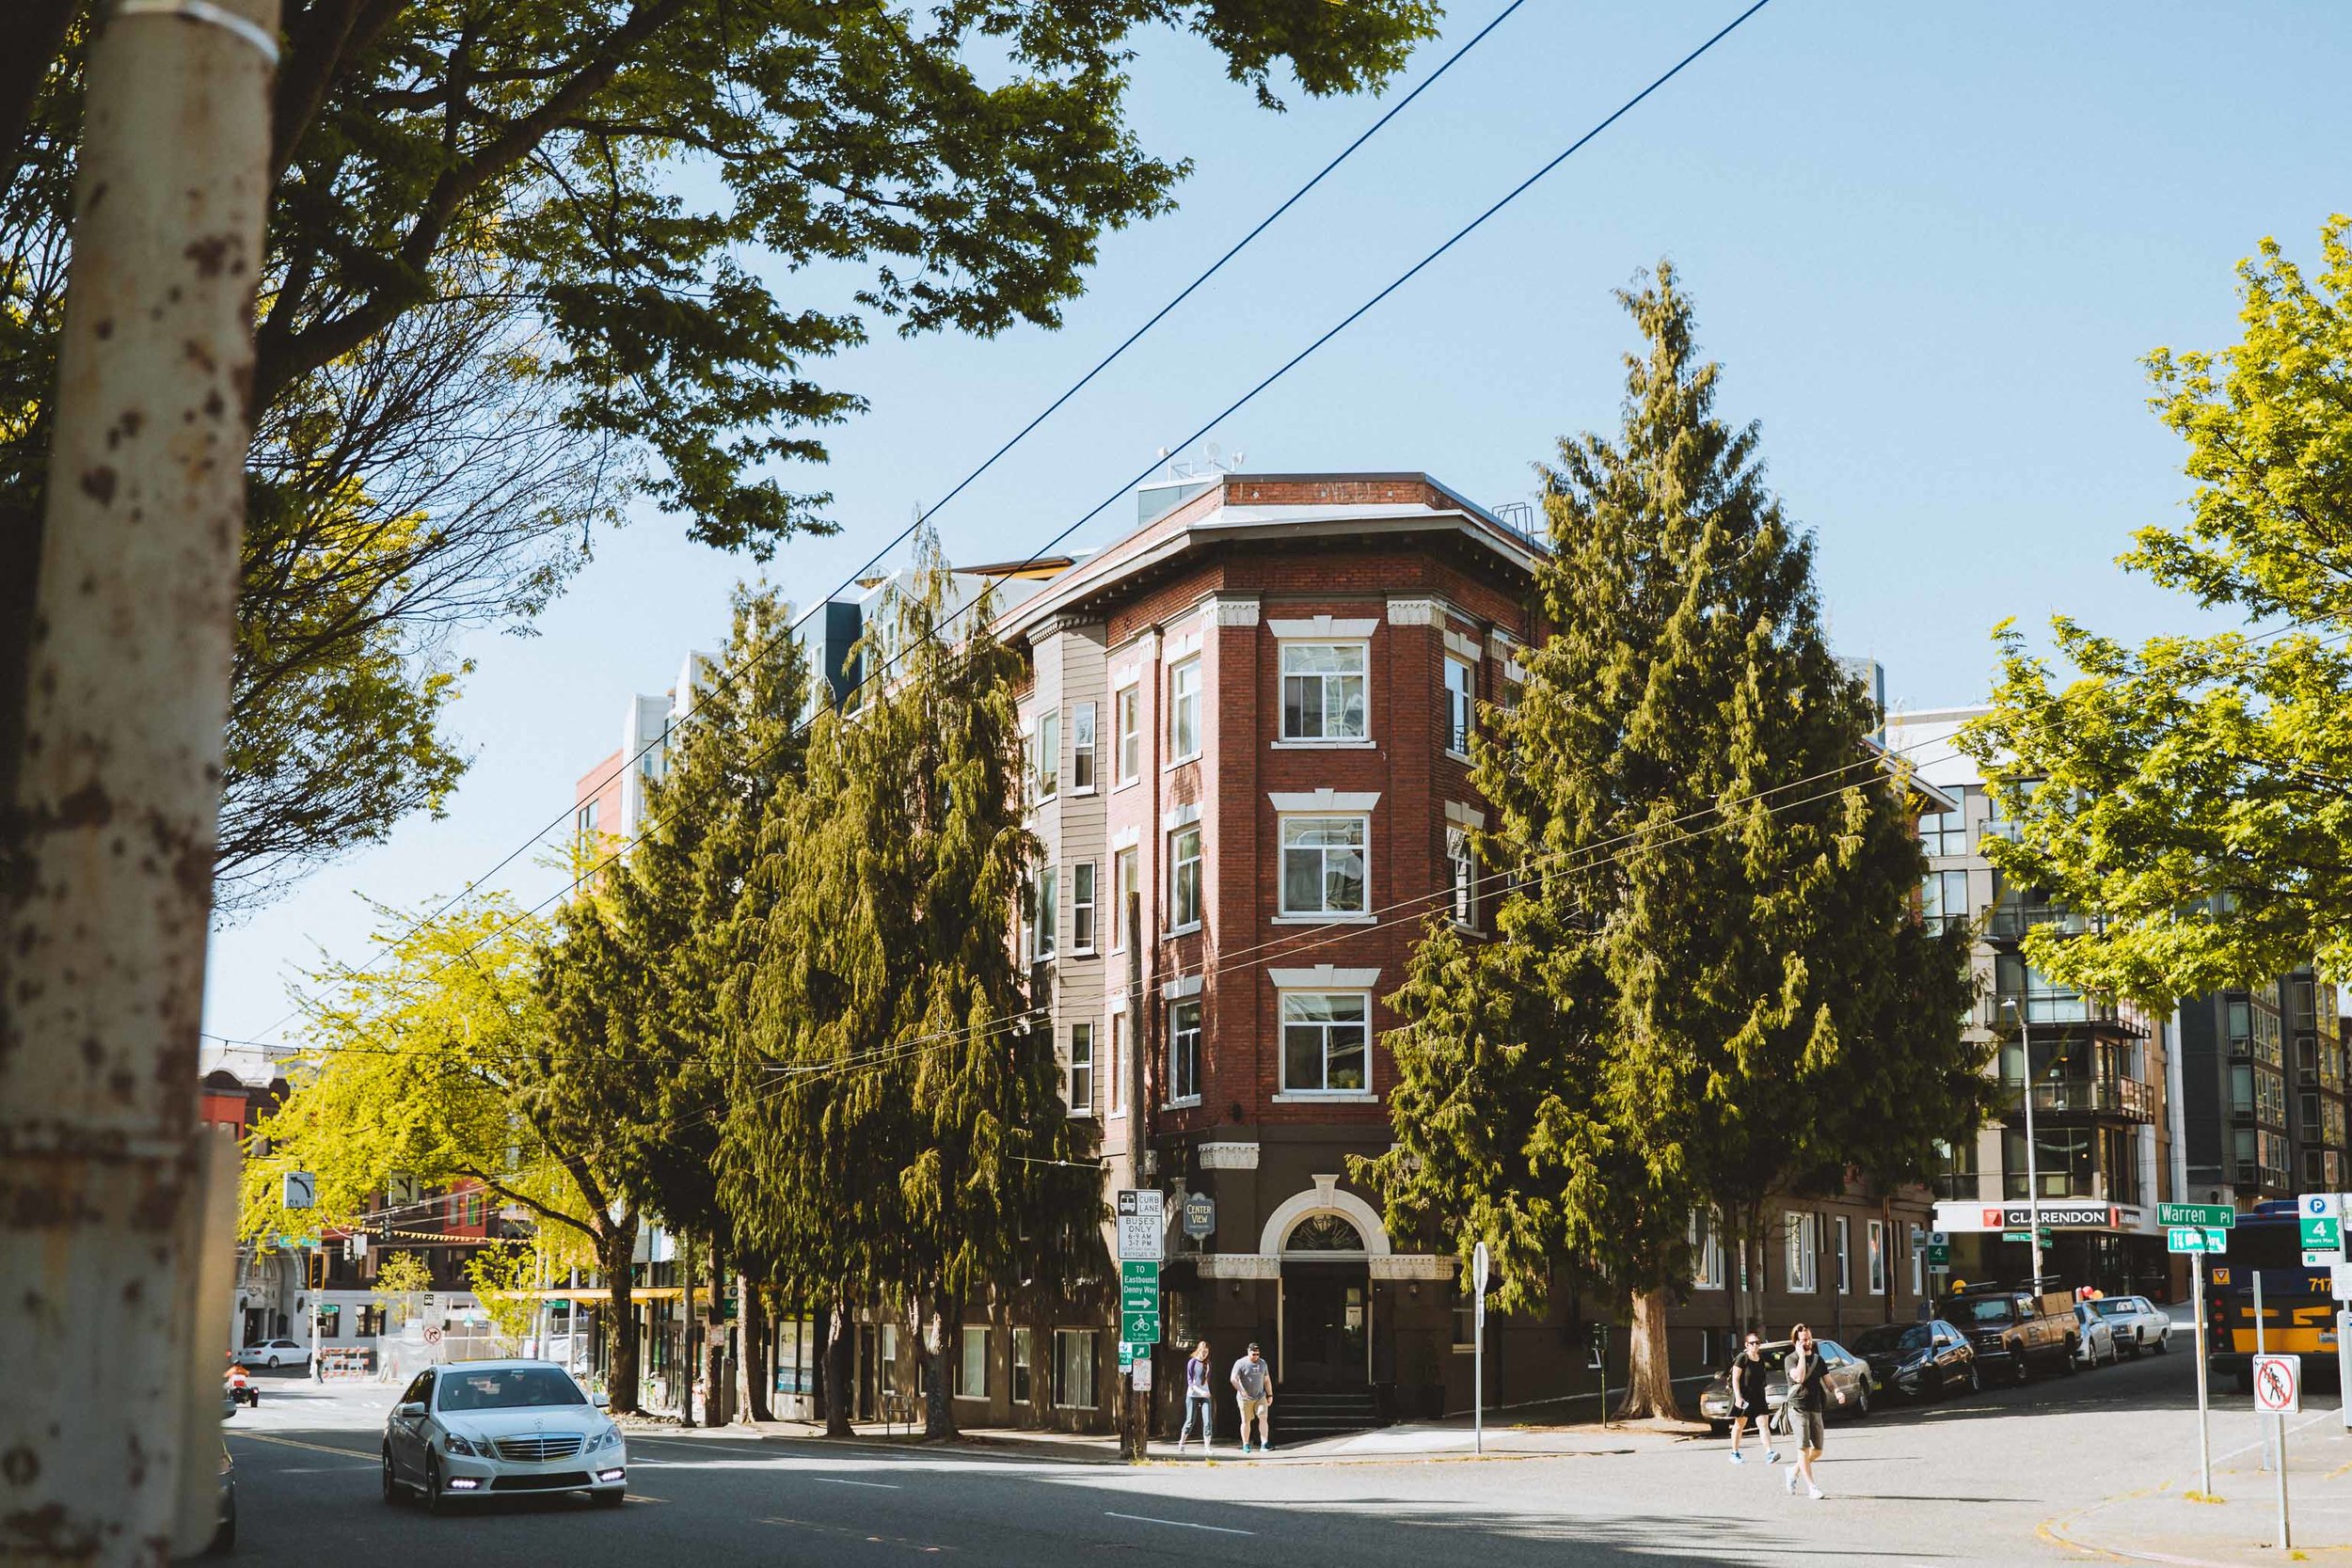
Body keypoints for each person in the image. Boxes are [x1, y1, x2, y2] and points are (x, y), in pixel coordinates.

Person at [1782, 1323, 1827, 1499]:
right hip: (1798, 1408)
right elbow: (1799, 1377)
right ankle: (1812, 1487)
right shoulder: (1790, 1360)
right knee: (1803, 1448)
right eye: (1803, 1340)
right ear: (1796, 1342)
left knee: (1817, 1450)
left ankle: (1793, 1470)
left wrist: (1837, 1391)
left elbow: (1828, 1380)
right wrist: (1801, 1356)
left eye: (1809, 1338)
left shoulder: (1818, 1360)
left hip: (1815, 1407)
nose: (1807, 1342)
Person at [1725, 1332, 1775, 1465]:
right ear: (1747, 1345)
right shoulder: (1742, 1358)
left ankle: (1769, 1452)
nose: (1755, 1345)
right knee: (1740, 1425)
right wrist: (1738, 1397)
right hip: (1744, 1396)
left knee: (1763, 1424)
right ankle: (1734, 1453)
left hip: (1758, 1396)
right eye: (1752, 1343)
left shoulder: (1761, 1358)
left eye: (1757, 1343)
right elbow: (1735, 1379)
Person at [1230, 1342, 1273, 1453]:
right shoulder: (1240, 1363)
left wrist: (1270, 1394)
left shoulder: (1262, 1363)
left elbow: (1266, 1380)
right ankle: (1246, 1444)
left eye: (1258, 1354)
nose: (1256, 1357)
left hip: (1260, 1395)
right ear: (1248, 1352)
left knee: (1263, 1417)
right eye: (1253, 1354)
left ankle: (1264, 1443)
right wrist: (1241, 1390)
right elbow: (1233, 1379)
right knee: (1246, 1421)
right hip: (1245, 1398)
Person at [1176, 1341, 1216, 1453]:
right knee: (1190, 1420)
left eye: (1206, 1352)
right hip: (1193, 1394)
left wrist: (1206, 1392)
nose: (1204, 1354)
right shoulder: (1192, 1362)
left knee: (1208, 1420)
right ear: (1198, 1350)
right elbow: (1190, 1381)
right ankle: (1182, 1442)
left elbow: (1206, 1380)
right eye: (1202, 1352)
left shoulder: (1208, 1363)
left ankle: (1207, 1447)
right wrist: (1199, 1391)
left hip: (1205, 1394)